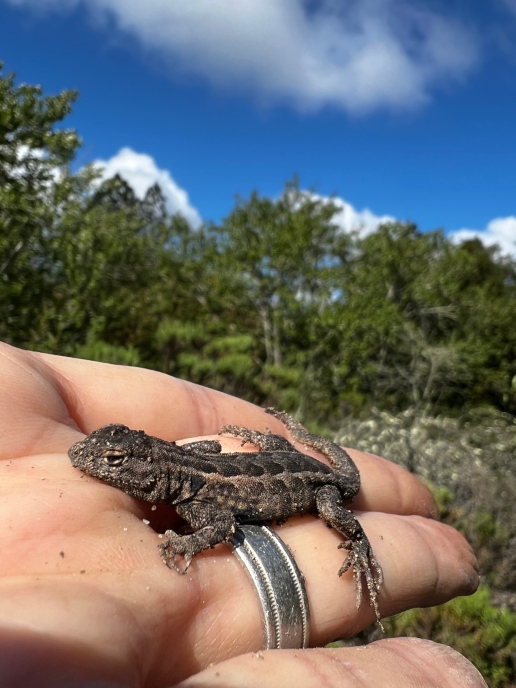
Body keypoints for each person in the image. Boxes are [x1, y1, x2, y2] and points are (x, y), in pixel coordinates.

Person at [0, 342, 485, 688]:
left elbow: (224, 525)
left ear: (149, 471)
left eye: (110, 462)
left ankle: (357, 545)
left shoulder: (194, 496)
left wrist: (187, 543)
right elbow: (209, 447)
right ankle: (291, 443)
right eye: (111, 456)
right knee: (274, 453)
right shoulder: (178, 470)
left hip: (314, 486)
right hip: (274, 463)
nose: (87, 459)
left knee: (335, 511)